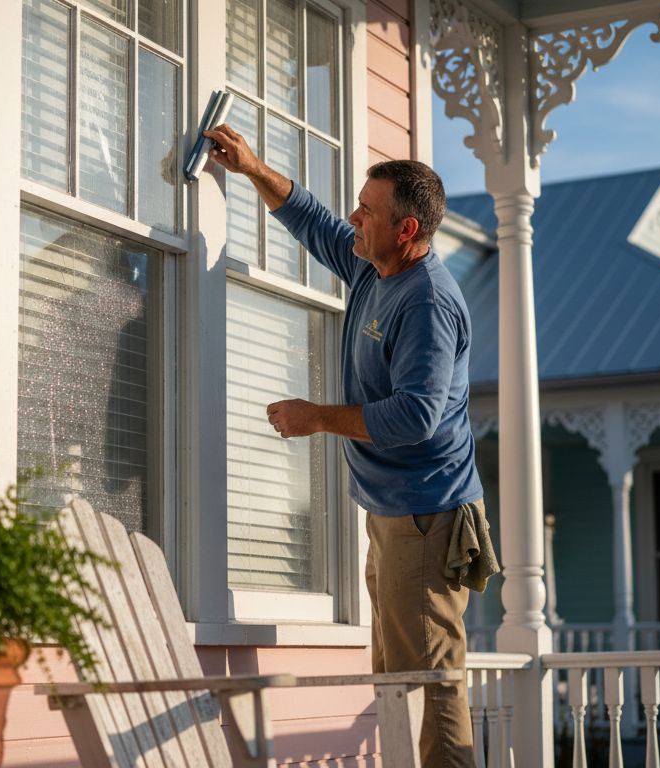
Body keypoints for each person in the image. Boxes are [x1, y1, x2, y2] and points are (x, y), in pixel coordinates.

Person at [203, 124, 495, 768]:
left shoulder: (426, 301)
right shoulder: (374, 266)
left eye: (369, 210)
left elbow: (418, 415)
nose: (355, 219)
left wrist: (317, 418)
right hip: (393, 513)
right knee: (396, 674)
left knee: (427, 684)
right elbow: (314, 223)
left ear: (407, 231)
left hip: (426, 517)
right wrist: (251, 167)